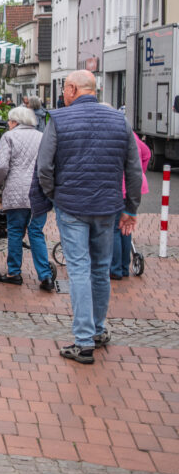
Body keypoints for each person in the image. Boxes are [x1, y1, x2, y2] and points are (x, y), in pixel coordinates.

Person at [32, 70, 142, 364]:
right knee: (100, 268)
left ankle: (83, 342)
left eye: (65, 89)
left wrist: (55, 195)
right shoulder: (120, 120)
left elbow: (44, 166)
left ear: (71, 89)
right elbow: (133, 168)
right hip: (107, 207)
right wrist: (131, 208)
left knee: (79, 269)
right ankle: (98, 330)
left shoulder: (59, 119)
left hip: (71, 206)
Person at [0, 106, 51, 289]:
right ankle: (45, 276)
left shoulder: (9, 137)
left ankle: (14, 272)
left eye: (9, 121)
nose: (8, 124)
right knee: (36, 231)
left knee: (15, 231)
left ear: (15, 121)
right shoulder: (42, 136)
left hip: (17, 192)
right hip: (39, 192)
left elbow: (1, 167)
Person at [110, 123, 151, 279]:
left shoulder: (112, 137)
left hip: (119, 187)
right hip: (133, 186)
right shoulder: (131, 135)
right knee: (125, 227)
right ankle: (124, 268)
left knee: (115, 228)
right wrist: (140, 172)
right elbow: (147, 154)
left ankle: (115, 270)